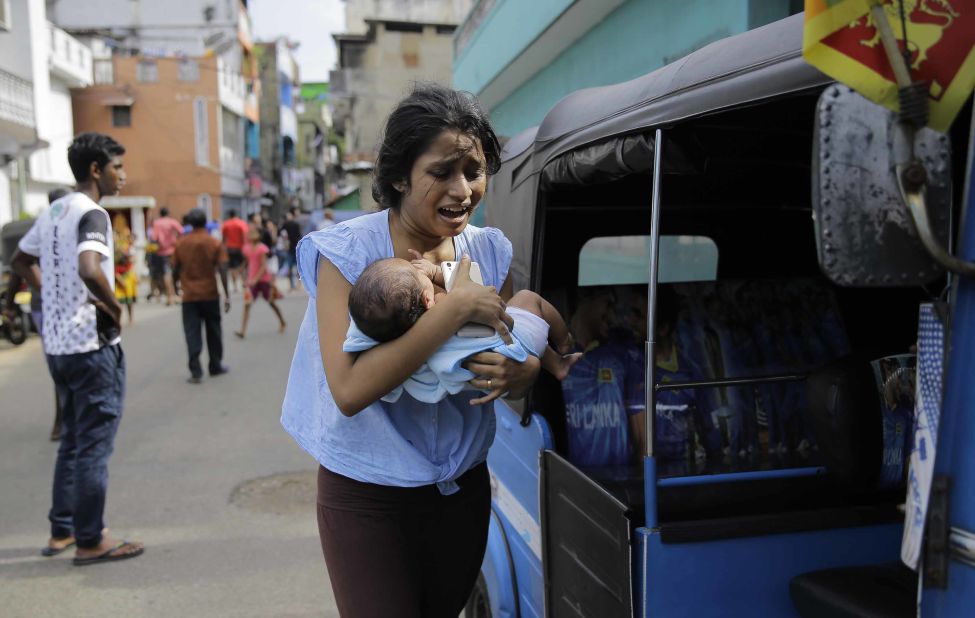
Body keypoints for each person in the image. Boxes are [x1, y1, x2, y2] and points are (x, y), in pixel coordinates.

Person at [280, 83, 540, 618]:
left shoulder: (489, 250)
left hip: (462, 488)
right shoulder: (349, 253)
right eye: (442, 172)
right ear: (400, 175)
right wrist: (452, 310)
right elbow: (349, 390)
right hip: (367, 496)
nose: (463, 189)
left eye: (474, 169)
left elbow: (512, 337)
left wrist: (525, 370)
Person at [10, 132, 144, 565]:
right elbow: (90, 267)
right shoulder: (92, 214)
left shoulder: (54, 210)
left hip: (58, 347)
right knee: (92, 446)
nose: (122, 175)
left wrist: (46, 292)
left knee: (71, 440)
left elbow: (20, 259)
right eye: (117, 167)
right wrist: (113, 307)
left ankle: (62, 529)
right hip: (91, 346)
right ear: (95, 170)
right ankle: (91, 539)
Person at [342, 256, 580, 402]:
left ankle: (558, 365)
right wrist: (435, 271)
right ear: (427, 299)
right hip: (516, 341)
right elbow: (462, 290)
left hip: (497, 363)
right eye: (418, 274)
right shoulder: (447, 306)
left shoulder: (405, 339)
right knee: (528, 299)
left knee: (522, 322)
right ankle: (564, 341)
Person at [3, 187, 69, 441]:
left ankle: (65, 419)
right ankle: (62, 419)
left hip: (49, 307)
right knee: (63, 362)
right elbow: (18, 266)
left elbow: (17, 267)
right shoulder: (47, 229)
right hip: (48, 306)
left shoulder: (48, 228)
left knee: (62, 362)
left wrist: (9, 304)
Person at [561, 288, 647, 467]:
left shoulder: (624, 354)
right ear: (585, 299)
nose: (612, 313)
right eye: (607, 303)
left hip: (619, 485)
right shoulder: (554, 356)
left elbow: (642, 438)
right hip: (573, 482)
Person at [173, 208, 231, 384]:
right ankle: (215, 365)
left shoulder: (181, 243)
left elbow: (175, 268)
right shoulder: (214, 242)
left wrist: (176, 287)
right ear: (205, 222)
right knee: (214, 331)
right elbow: (222, 268)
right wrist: (227, 294)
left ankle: (196, 370)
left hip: (189, 295)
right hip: (210, 293)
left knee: (192, 333)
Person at [234, 224, 286, 338]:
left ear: (259, 235)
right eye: (250, 232)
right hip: (251, 280)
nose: (250, 234)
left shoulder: (262, 248)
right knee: (247, 304)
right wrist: (240, 269)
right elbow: (248, 261)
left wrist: (255, 279)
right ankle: (242, 331)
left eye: (253, 232)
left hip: (263, 280)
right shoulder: (247, 248)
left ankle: (282, 321)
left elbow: (263, 266)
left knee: (271, 302)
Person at [150, 207, 183, 305]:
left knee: (166, 274)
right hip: (173, 250)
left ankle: (170, 297)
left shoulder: (157, 223)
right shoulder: (172, 222)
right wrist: (176, 239)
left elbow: (154, 237)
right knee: (174, 273)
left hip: (162, 252)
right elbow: (181, 231)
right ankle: (174, 295)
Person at [112, 212, 137, 325]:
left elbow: (132, 259)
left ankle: (131, 318)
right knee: (118, 299)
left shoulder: (128, 245)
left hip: (127, 271)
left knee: (129, 299)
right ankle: (118, 319)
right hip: (117, 272)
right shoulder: (114, 241)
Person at [221, 210, 248, 293]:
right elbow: (245, 236)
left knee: (232, 268)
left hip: (230, 248)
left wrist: (223, 247)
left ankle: (235, 286)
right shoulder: (241, 223)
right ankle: (244, 284)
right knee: (242, 266)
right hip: (240, 248)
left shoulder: (226, 224)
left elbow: (223, 237)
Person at [280, 207, 302, 291]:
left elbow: (281, 233)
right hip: (296, 247)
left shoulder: (286, 224)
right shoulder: (296, 224)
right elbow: (299, 236)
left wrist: (285, 242)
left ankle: (291, 285)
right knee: (298, 268)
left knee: (289, 267)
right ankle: (298, 285)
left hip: (289, 247)